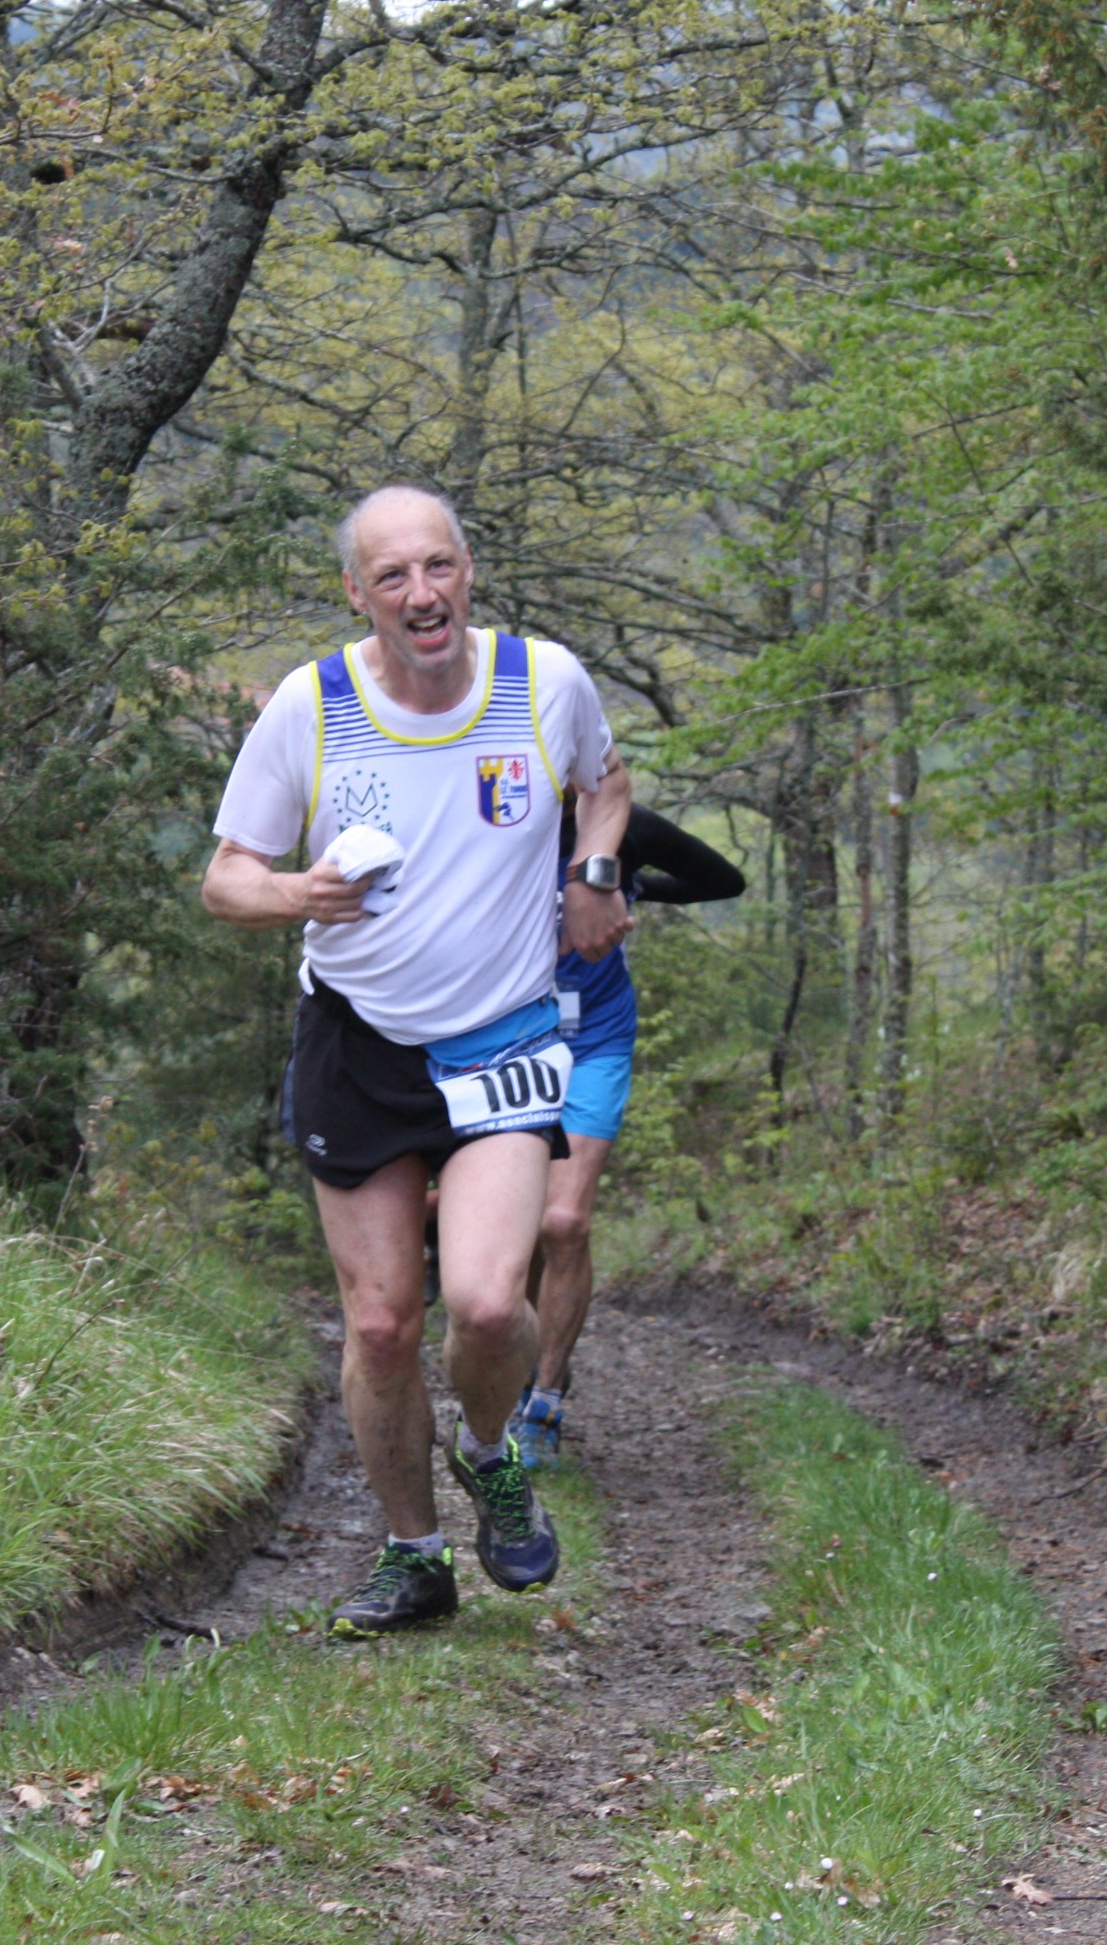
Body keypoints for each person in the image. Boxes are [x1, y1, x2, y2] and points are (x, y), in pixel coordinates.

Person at [204, 485, 632, 1638]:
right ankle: (414, 1552)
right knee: (385, 1325)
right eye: (391, 576)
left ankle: (488, 1452)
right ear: (357, 593)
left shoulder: (546, 683)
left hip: (500, 1041)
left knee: (489, 1304)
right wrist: (299, 892)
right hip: (358, 1040)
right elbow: (226, 875)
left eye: (436, 567)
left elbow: (608, 782)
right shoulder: (315, 706)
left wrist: (593, 876)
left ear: (468, 569)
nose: (420, 594)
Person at [507, 803, 744, 1468]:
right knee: (516, 1226)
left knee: (563, 1222)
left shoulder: (622, 827)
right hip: (502, 1037)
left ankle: (546, 1403)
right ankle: (519, 1375)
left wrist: (633, 885)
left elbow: (723, 881)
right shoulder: (483, 806)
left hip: (594, 1040)